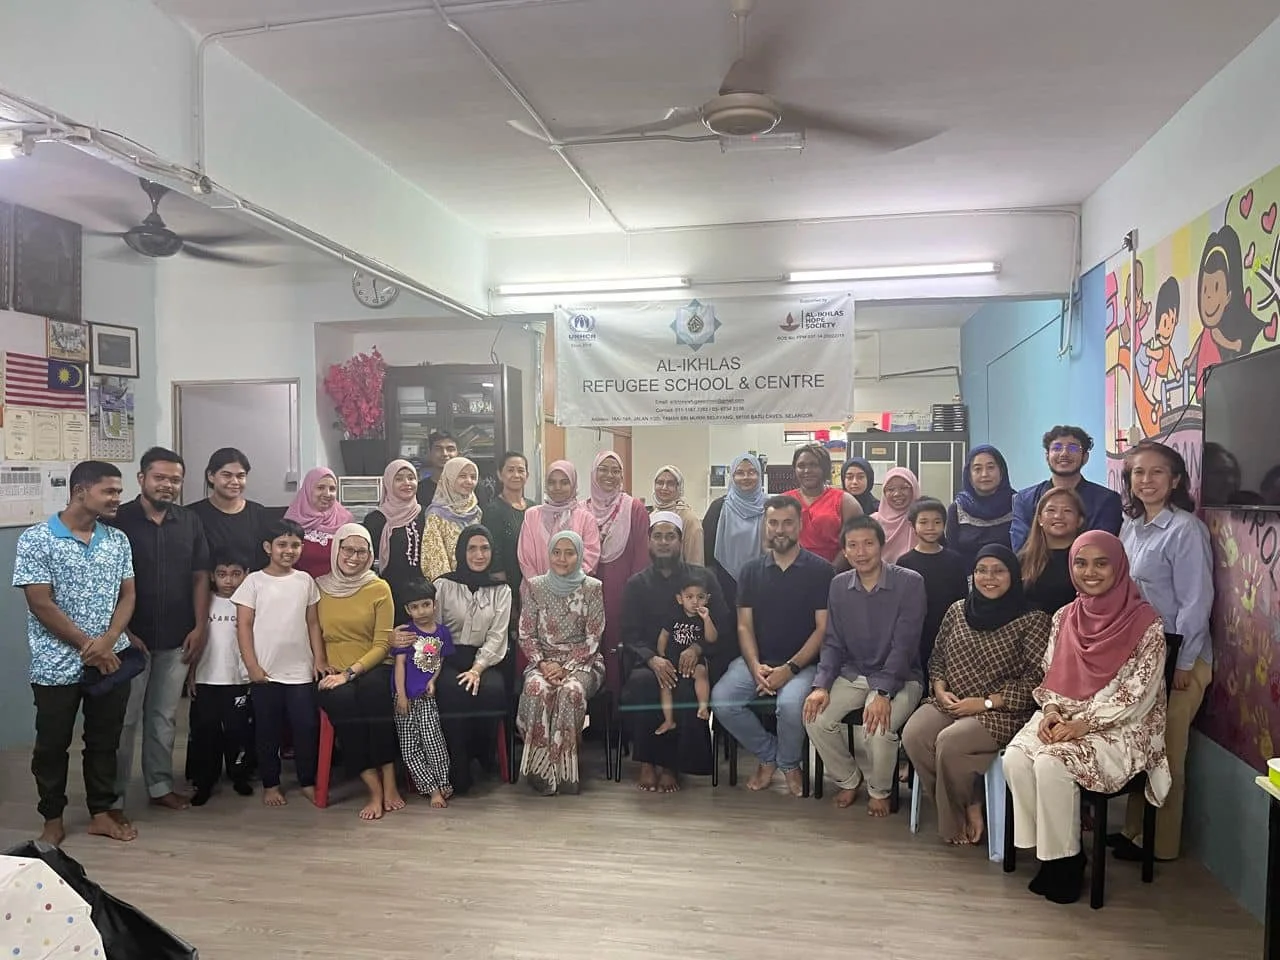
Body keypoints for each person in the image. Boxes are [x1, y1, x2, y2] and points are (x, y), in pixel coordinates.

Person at [1002, 531, 1171, 905]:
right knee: (1015, 758)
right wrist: (1050, 711)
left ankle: (1066, 860)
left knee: (1050, 762)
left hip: (1122, 726)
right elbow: (1050, 673)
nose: (1089, 572)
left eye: (1101, 563)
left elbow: (1137, 696)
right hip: (1065, 713)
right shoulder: (1065, 616)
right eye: (1081, 563)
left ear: (1119, 566)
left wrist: (1083, 725)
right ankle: (1050, 851)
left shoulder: (1147, 624)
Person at [14, 461, 139, 845]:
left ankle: (101, 812)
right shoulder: (36, 539)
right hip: (56, 664)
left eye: (119, 491)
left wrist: (109, 639)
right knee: (52, 745)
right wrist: (89, 645)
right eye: (110, 491)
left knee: (104, 740)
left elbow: (128, 595)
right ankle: (52, 817)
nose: (117, 498)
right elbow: (40, 602)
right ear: (81, 491)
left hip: (110, 660)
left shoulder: (117, 540)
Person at [902, 546, 1050, 844]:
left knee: (950, 742)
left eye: (998, 571)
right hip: (952, 701)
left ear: (1014, 575)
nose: (988, 577)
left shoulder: (1033, 619)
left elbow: (1037, 681)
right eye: (981, 570)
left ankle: (957, 819)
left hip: (1002, 710)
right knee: (914, 735)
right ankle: (968, 800)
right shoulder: (958, 610)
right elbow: (938, 656)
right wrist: (940, 689)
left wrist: (985, 703)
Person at [1112, 440, 1213, 864]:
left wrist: (1184, 663)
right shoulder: (1131, 526)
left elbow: (1196, 602)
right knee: (1144, 743)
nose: (1146, 480)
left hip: (1181, 656)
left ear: (1175, 481)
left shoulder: (1186, 530)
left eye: (1157, 472)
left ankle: (1161, 844)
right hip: (1143, 654)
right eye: (1138, 472)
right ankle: (1135, 830)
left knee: (1168, 750)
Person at [109, 446, 211, 816]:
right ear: (142, 479)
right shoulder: (117, 521)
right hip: (129, 640)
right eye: (160, 477)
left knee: (164, 717)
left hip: (177, 636)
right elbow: (105, 583)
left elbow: (200, 576)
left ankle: (160, 785)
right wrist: (121, 631)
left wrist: (199, 626)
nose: (167, 485)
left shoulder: (189, 521)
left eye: (175, 480)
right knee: (123, 720)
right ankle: (111, 798)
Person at [711, 495, 835, 797]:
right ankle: (769, 755)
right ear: (765, 526)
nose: (780, 530)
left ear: (800, 525)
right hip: (758, 661)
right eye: (773, 523)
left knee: (790, 707)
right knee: (723, 700)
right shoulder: (750, 571)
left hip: (803, 664)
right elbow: (744, 625)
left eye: (787, 523)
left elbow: (823, 629)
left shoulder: (820, 570)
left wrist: (790, 669)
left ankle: (790, 764)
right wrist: (755, 666)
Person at [803, 516, 925, 816]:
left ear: (882, 546)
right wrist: (821, 685)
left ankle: (880, 789)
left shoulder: (910, 582)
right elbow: (832, 641)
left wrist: (883, 692)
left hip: (901, 676)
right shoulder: (839, 585)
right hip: (854, 672)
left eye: (869, 543)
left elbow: (905, 645)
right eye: (853, 545)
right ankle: (848, 778)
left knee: (879, 729)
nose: (861, 552)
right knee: (815, 718)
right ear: (844, 551)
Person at [620, 513, 730, 793]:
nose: (664, 542)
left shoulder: (703, 578)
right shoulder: (636, 584)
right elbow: (630, 633)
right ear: (649, 542)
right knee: (643, 683)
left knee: (685, 685)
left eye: (670, 536)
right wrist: (652, 659)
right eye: (657, 536)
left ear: (681, 541)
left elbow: (723, 623)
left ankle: (671, 765)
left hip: (694, 660)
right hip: (650, 660)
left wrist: (697, 648)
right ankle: (647, 762)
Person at [233, 518, 326, 807]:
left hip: (300, 670)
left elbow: (313, 623)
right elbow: (243, 626)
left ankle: (307, 780)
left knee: (305, 727)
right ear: (267, 547)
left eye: (295, 545)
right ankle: (271, 784)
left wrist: (319, 658)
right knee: (267, 729)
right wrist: (251, 666)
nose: (289, 550)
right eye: (282, 544)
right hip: (266, 672)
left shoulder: (305, 580)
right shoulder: (253, 582)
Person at [315, 524, 402, 821]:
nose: (354, 557)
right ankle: (373, 787)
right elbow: (313, 631)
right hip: (333, 669)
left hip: (373, 665)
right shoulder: (319, 587)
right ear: (336, 549)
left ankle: (390, 781)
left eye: (362, 551)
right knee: (342, 702)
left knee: (373, 693)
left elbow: (382, 644)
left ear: (370, 554)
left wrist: (349, 673)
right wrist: (322, 663)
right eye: (348, 550)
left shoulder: (379, 587)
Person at [516, 530, 606, 795]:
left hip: (584, 662)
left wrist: (566, 667)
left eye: (569, 553)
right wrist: (543, 664)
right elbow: (526, 633)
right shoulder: (535, 586)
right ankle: (540, 769)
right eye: (556, 552)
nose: (562, 559)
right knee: (536, 689)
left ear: (580, 555)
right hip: (542, 663)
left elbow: (594, 636)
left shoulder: (592, 587)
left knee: (570, 691)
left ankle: (565, 772)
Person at [432, 525, 513, 795]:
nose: (479, 555)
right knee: (452, 692)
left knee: (491, 691)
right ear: (461, 552)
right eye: (472, 548)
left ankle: (483, 756)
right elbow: (434, 630)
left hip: (485, 660)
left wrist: (477, 669)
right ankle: (458, 769)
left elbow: (498, 636)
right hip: (447, 658)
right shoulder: (443, 585)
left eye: (485, 548)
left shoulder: (501, 590)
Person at [187, 552, 254, 806]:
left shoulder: (249, 603)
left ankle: (240, 775)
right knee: (206, 732)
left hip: (238, 680)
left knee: (238, 731)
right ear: (212, 576)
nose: (229, 580)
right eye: (222, 574)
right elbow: (194, 643)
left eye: (236, 574)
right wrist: (191, 675)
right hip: (206, 679)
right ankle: (204, 781)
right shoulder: (204, 603)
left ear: (246, 574)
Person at [587, 451, 651, 696]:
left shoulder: (634, 509)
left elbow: (642, 557)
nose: (609, 475)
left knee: (617, 649)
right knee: (588, 648)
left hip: (622, 591)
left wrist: (632, 597)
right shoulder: (581, 509)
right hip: (587, 592)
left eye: (616, 470)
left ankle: (617, 711)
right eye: (603, 469)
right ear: (593, 473)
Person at [1009, 426, 1123, 552]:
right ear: (1047, 456)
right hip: (1036, 564)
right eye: (1057, 448)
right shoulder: (1025, 500)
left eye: (1073, 448)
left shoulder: (1106, 500)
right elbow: (1021, 549)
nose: (1064, 454)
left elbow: (1102, 549)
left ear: (1085, 457)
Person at [392, 578, 454, 807]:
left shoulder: (442, 632)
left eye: (426, 604)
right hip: (404, 697)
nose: (422, 611)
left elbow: (440, 660)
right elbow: (399, 665)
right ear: (408, 609)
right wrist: (401, 695)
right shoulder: (406, 633)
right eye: (415, 607)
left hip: (425, 697)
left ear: (434, 604)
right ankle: (431, 788)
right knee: (410, 746)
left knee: (433, 740)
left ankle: (443, 782)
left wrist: (433, 681)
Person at [702, 453, 767, 665]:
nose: (746, 477)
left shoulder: (769, 506)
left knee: (759, 635)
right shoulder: (718, 507)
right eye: (740, 472)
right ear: (732, 476)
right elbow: (707, 551)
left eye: (752, 472)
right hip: (724, 585)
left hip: (760, 581)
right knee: (727, 640)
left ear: (760, 475)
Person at [895, 498, 968, 668]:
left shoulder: (955, 560)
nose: (930, 527)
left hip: (949, 631)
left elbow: (962, 600)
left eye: (937, 522)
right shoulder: (904, 562)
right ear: (912, 526)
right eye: (923, 522)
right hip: (917, 632)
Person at [362, 458, 426, 621]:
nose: (407, 483)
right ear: (388, 483)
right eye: (399, 479)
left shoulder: (426, 515)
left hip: (422, 598)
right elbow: (367, 562)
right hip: (388, 594)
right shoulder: (376, 519)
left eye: (411, 478)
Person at [189, 448, 271, 572]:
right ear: (211, 476)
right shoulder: (192, 515)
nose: (235, 482)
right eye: (227, 475)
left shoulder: (259, 513)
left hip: (252, 583)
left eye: (240, 476)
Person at [518, 460, 601, 580]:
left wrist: (565, 585)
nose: (557, 487)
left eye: (564, 482)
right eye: (552, 482)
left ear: (573, 484)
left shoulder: (586, 518)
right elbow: (525, 558)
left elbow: (590, 557)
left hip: (575, 588)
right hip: (535, 588)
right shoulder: (532, 515)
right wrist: (540, 585)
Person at [654, 570, 716, 733]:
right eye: (689, 597)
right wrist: (662, 656)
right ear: (680, 599)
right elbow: (663, 637)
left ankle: (703, 707)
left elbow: (711, 638)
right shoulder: (673, 616)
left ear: (707, 599)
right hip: (673, 658)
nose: (695, 601)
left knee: (702, 673)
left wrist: (707, 619)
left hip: (695, 662)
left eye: (700, 597)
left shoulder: (704, 618)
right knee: (665, 684)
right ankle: (669, 720)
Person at [784, 443, 862, 563]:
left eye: (813, 465)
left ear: (825, 468)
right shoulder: (784, 501)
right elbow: (771, 541)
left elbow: (854, 543)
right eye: (801, 466)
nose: (807, 470)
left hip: (835, 569)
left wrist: (830, 570)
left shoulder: (846, 502)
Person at [1019, 487, 1086, 616]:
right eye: (1051, 510)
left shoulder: (1088, 559)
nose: (1058, 516)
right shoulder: (1023, 560)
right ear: (1039, 519)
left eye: (1067, 510)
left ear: (1079, 520)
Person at [946, 445, 1015, 568]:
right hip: (967, 577)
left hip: (1010, 575)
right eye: (977, 469)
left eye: (991, 467)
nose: (984, 474)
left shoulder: (1017, 504)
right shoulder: (957, 508)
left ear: (1001, 471)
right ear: (969, 475)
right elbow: (952, 553)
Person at [284, 467, 354, 578]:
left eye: (332, 489)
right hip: (300, 584)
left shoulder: (346, 520)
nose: (327, 494)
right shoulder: (292, 520)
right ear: (308, 489)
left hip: (339, 585)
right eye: (320, 488)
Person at [421, 457, 483, 581]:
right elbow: (434, 560)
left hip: (477, 580)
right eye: (462, 476)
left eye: (473, 477)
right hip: (451, 584)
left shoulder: (476, 511)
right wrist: (450, 586)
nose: (469, 481)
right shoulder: (436, 515)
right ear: (449, 478)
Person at [483, 451, 530, 593]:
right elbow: (494, 551)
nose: (516, 475)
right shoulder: (492, 510)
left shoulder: (534, 509)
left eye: (521, 470)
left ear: (527, 475)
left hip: (534, 580)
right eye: (510, 470)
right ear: (499, 474)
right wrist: (503, 588)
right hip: (508, 583)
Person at [650, 465, 705, 565]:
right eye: (660, 483)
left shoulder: (689, 519)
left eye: (670, 484)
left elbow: (695, 562)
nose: (664, 488)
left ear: (678, 487)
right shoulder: (652, 515)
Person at [871, 467, 922, 564]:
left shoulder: (923, 521)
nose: (897, 494)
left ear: (914, 489)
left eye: (904, 488)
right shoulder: (873, 522)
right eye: (890, 489)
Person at [416, 429, 459, 507]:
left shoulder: (469, 486)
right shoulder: (419, 490)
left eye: (450, 449)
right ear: (429, 452)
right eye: (438, 449)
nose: (445, 454)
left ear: (458, 454)